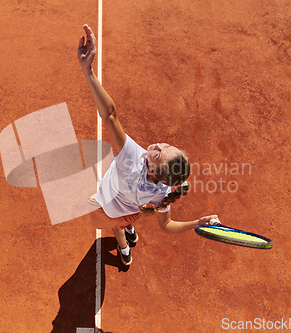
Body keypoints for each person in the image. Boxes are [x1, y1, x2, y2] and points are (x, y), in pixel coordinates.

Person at [78, 24, 218, 266]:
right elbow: (167, 226)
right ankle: (128, 244)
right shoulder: (163, 191)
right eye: (167, 146)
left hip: (111, 208)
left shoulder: (131, 159)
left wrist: (88, 70)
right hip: (134, 210)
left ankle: (124, 248)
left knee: (116, 227)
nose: (158, 145)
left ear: (152, 169)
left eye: (158, 152)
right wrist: (197, 222)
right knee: (127, 219)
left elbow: (110, 114)